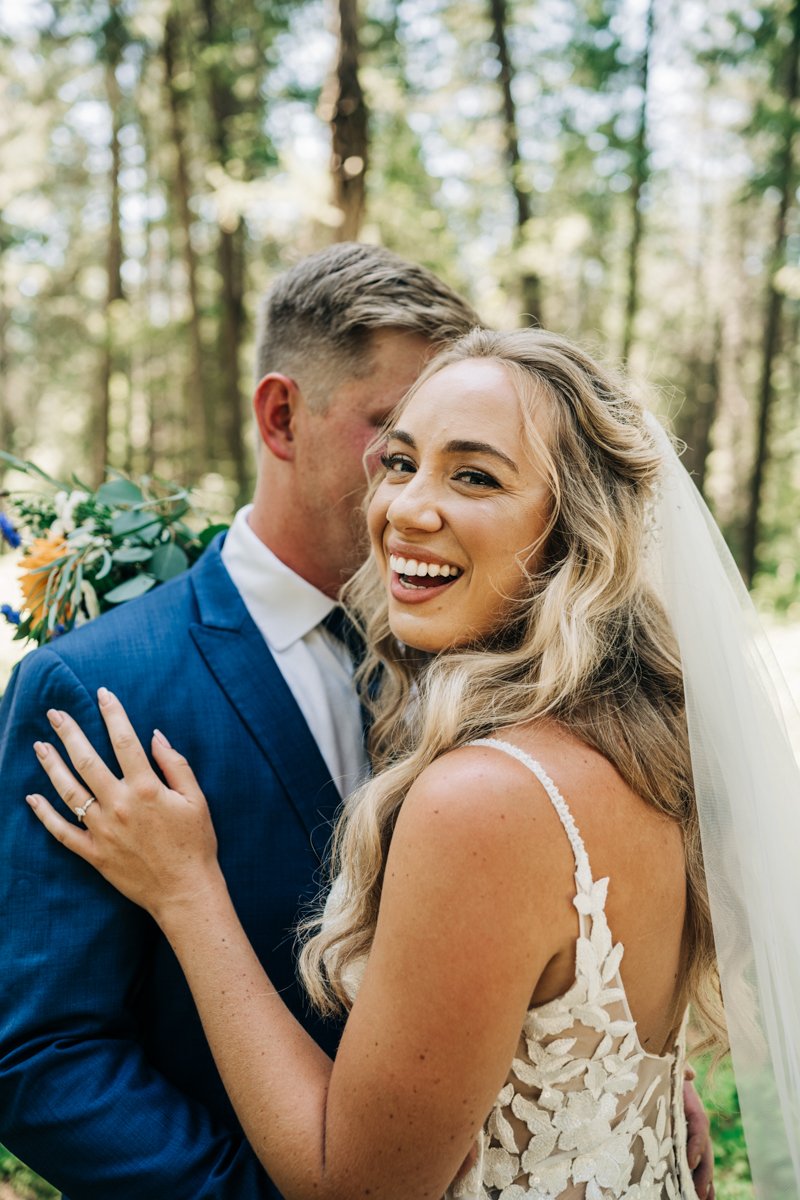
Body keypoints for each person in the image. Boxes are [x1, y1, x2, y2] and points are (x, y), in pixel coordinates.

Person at [24, 328, 764, 1200]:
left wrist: (188, 892)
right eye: (400, 461)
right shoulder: (651, 751)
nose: (405, 509)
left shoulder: (484, 799)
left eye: (475, 475)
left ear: (576, 533)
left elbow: (353, 1189)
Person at [0, 243, 481, 1199]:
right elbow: (43, 1056)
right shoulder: (97, 686)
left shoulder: (483, 657)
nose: (416, 491)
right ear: (282, 415)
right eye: (393, 438)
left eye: (456, 457)